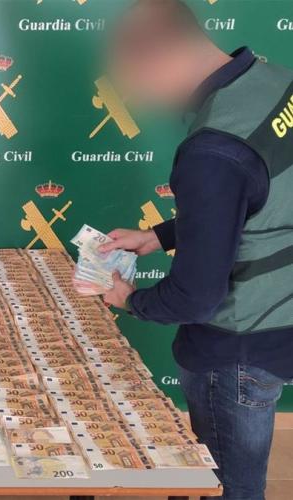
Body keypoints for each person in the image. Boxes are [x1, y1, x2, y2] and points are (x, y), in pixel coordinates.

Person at [98, 1, 293, 499]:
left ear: (156, 60)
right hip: (279, 321)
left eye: (134, 83)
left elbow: (196, 297)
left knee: (230, 485)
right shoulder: (274, 81)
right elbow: (256, 200)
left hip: (234, 350)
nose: (141, 98)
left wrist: (129, 299)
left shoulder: (212, 149)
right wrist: (158, 237)